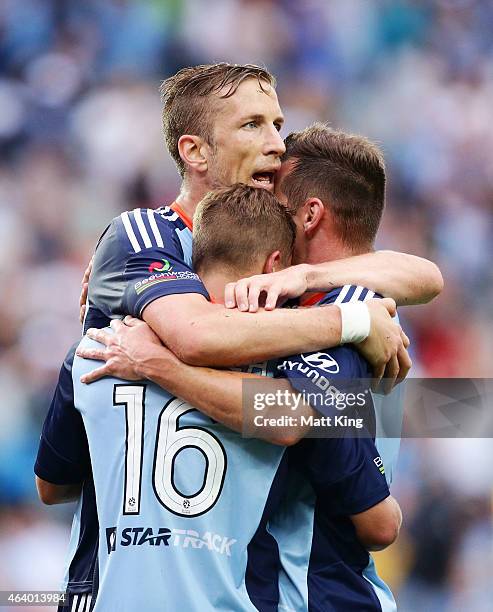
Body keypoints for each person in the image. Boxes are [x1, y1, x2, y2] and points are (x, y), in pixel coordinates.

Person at [81, 125, 408, 611]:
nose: (261, 209)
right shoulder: (366, 308)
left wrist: (158, 365)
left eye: (274, 198)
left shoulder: (339, 323)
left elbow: (378, 521)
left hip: (314, 594)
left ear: (311, 215)